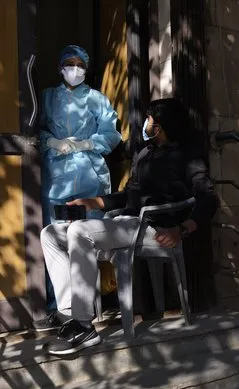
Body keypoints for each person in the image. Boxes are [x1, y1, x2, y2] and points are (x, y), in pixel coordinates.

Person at [39, 98, 217, 356]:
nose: (146, 124)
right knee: (51, 233)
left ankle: (84, 326)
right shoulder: (145, 154)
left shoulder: (188, 156)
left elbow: (208, 198)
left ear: (162, 125)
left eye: (150, 120)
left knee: (80, 232)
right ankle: (70, 312)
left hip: (156, 229)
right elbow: (129, 195)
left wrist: (182, 229)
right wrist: (94, 202)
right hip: (128, 223)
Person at [37, 45, 122, 330]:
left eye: (79, 64)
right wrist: (51, 142)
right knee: (55, 238)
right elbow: (37, 129)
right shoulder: (47, 97)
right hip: (57, 174)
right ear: (60, 66)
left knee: (91, 238)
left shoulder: (97, 99)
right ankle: (58, 306)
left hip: (91, 174)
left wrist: (86, 143)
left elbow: (111, 134)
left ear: (86, 68)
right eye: (69, 63)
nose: (74, 69)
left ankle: (93, 304)